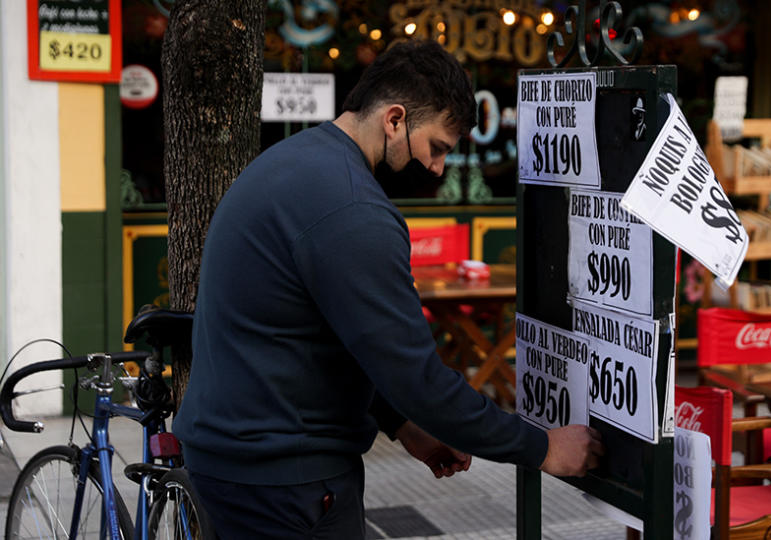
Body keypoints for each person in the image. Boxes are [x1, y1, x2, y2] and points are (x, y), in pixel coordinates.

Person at [172, 39, 604, 539]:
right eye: (437, 147)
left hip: (234, 465)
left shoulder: (291, 163)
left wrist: (400, 423)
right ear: (394, 120)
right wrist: (544, 448)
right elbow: (417, 376)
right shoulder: (352, 209)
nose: (439, 168)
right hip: (285, 481)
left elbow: (319, 334)